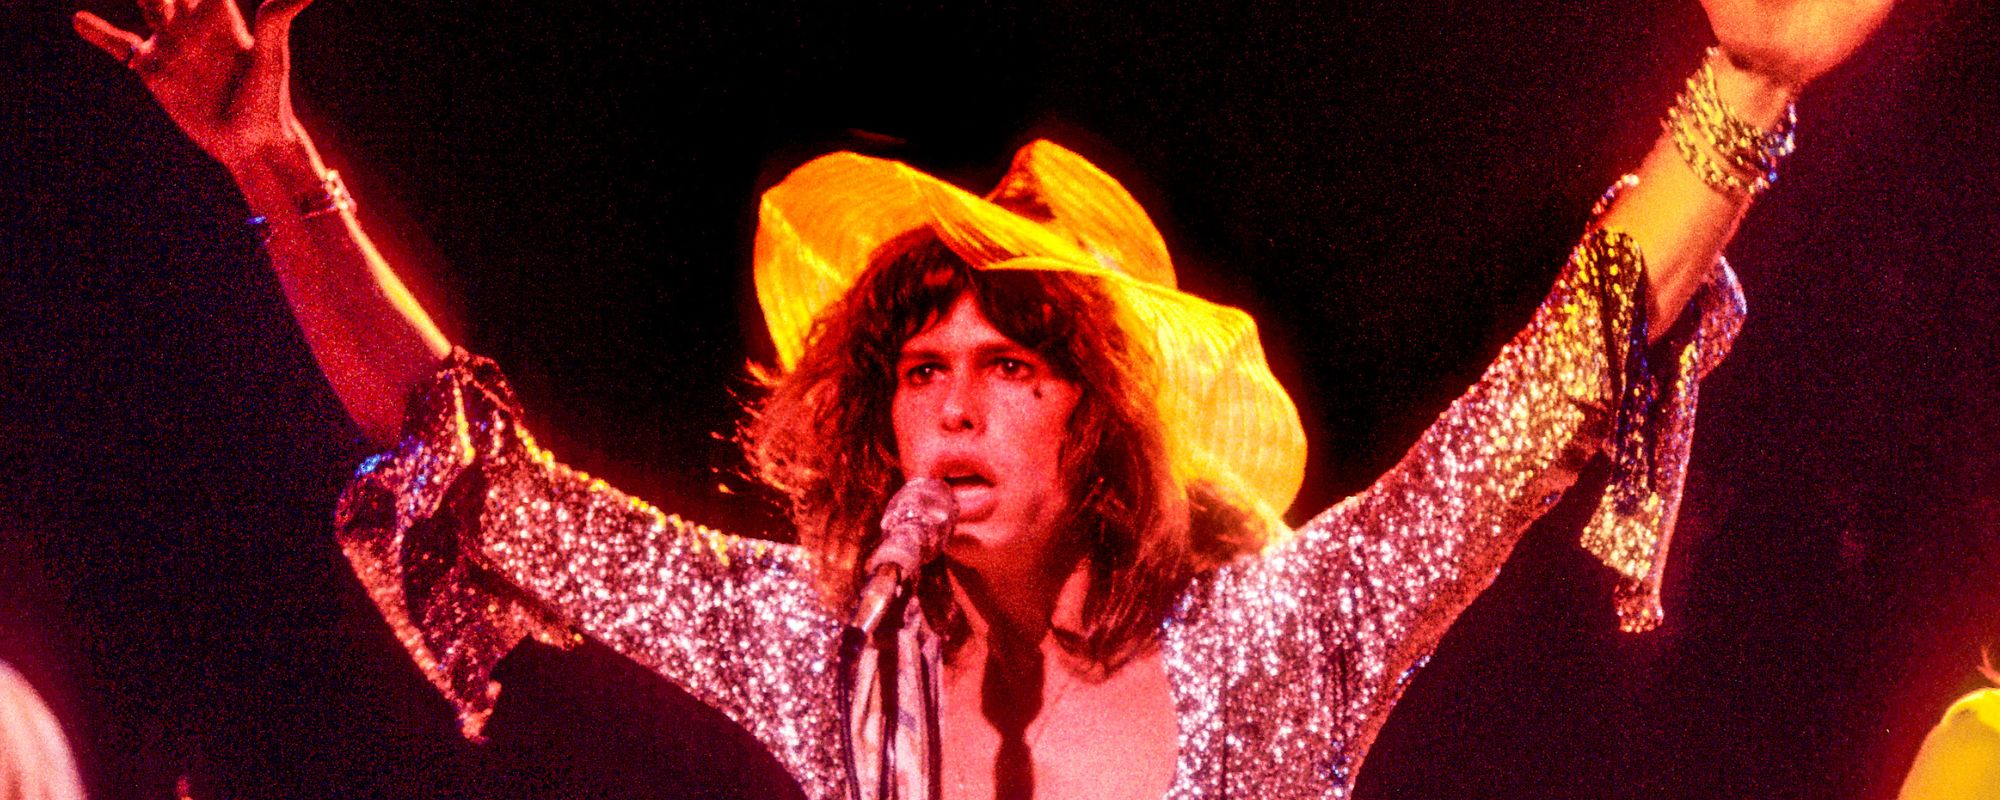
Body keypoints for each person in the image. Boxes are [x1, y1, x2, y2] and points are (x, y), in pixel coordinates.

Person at [71, 0, 1894, 797]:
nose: (948, 406)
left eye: (1005, 368)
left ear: (1099, 413)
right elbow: (470, 470)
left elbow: (1539, 404)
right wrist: (279, 171)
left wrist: (1739, 97)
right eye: (918, 371)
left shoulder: (1289, 633)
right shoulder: (817, 647)